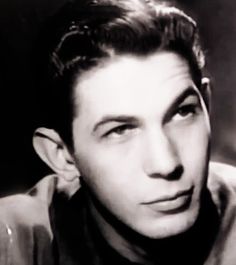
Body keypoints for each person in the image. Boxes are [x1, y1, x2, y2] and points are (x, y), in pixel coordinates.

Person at [1, 0, 236, 264]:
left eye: (182, 113)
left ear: (207, 104)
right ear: (62, 155)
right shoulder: (12, 245)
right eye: (120, 130)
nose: (166, 164)